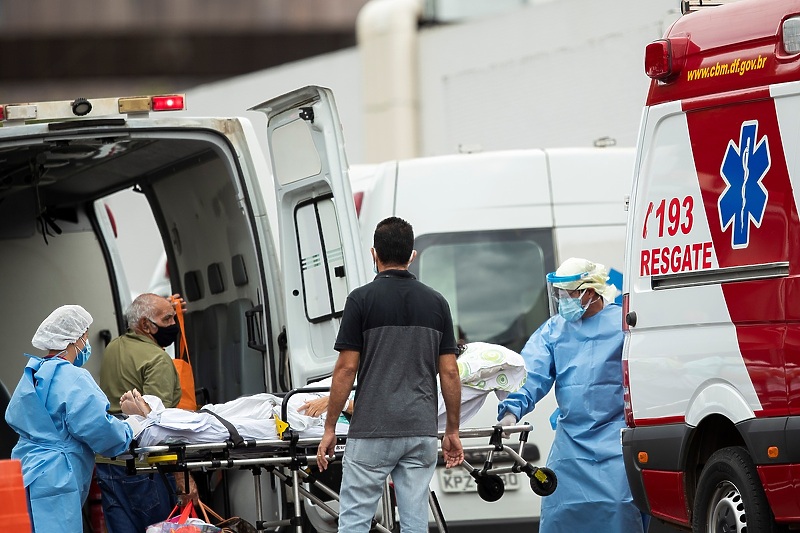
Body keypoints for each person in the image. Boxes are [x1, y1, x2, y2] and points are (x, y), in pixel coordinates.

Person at [317, 216, 464, 533]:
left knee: (355, 521)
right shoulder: (437, 303)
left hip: (373, 430)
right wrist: (452, 429)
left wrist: (329, 426)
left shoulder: (361, 300)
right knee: (414, 524)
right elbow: (450, 372)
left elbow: (346, 368)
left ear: (374, 254)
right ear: (412, 255)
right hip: (420, 431)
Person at [497, 257, 645, 533]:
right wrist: (510, 412)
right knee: (559, 514)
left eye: (568, 294)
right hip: (571, 447)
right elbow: (532, 374)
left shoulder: (624, 324)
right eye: (560, 295)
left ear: (589, 292)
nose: (563, 300)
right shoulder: (554, 331)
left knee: (619, 510)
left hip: (616, 443)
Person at [4, 305, 144, 533]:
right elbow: (99, 430)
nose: (86, 345)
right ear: (74, 340)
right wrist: (131, 427)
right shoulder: (74, 377)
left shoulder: (34, 374)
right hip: (55, 478)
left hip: (23, 470)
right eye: (85, 338)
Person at [96, 293, 196, 533]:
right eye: (168, 319)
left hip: (108, 462)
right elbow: (159, 426)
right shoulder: (157, 360)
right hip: (143, 468)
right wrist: (182, 477)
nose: (173, 325)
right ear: (145, 325)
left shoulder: (113, 348)